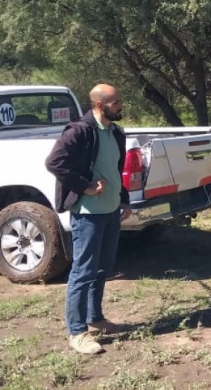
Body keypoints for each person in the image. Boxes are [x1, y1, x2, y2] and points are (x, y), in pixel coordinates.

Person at [45, 84, 132, 355]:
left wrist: (124, 198)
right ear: (99, 104)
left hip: (110, 212)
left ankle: (95, 319)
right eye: (115, 102)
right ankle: (77, 331)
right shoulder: (79, 130)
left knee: (103, 267)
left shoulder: (115, 132)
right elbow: (54, 163)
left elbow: (115, 170)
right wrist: (84, 186)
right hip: (87, 215)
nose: (120, 106)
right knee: (83, 272)